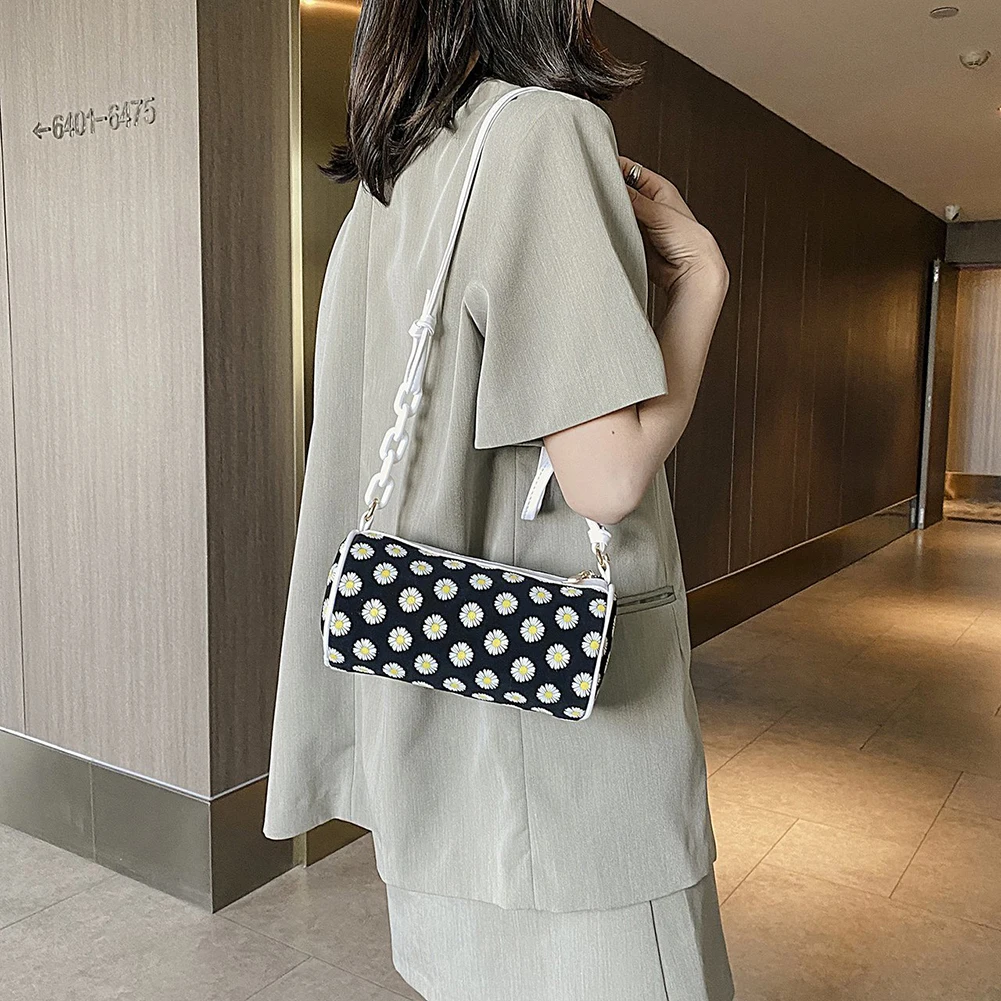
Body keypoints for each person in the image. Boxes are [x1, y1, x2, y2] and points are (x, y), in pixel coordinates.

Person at [263, 1, 732, 998]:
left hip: (429, 740)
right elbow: (605, 475)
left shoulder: (389, 185)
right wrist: (700, 282)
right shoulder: (541, 134)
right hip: (563, 777)